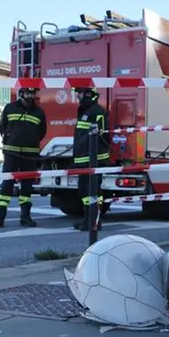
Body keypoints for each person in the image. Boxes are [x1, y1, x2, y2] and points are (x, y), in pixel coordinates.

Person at [0, 87, 47, 228]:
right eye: (27, 93)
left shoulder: (39, 112)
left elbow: (42, 132)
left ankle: (25, 217)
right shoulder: (10, 108)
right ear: (21, 94)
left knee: (27, 188)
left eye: (32, 93)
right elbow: (2, 126)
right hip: (11, 153)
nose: (30, 96)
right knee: (7, 185)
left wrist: (31, 141)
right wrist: (11, 139)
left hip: (30, 154)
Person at [71, 87, 110, 231]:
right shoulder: (85, 111)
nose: (77, 96)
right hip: (83, 158)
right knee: (84, 190)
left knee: (94, 191)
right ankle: (89, 219)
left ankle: (94, 221)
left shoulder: (97, 110)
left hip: (95, 158)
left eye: (79, 93)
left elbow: (102, 133)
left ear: (88, 94)